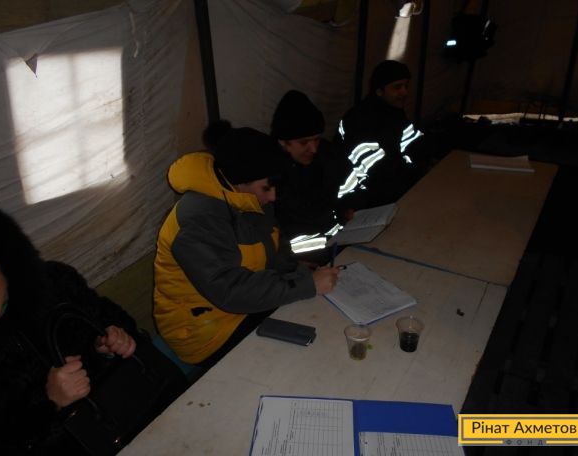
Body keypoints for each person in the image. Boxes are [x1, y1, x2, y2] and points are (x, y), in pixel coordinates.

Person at [0, 207, 186, 454]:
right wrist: (51, 403)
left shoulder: (53, 281)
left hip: (136, 417)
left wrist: (108, 342)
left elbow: (110, 319)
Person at [153, 122, 340, 368]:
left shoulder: (247, 199)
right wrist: (306, 284)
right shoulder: (198, 219)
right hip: (204, 331)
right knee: (295, 360)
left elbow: (270, 250)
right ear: (241, 181)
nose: (273, 196)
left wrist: (297, 269)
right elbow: (229, 290)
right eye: (266, 188)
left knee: (319, 327)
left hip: (239, 308)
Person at [334, 60, 431, 209]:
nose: (404, 92)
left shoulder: (394, 112)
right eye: (397, 87)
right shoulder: (359, 120)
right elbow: (376, 170)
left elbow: (415, 145)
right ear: (379, 91)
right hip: (365, 200)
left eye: (406, 86)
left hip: (393, 190)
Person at [270, 90, 352, 245]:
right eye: (304, 142)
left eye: (317, 140)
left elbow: (351, 185)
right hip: (303, 253)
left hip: (339, 239)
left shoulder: (329, 154)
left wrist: (350, 207)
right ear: (283, 142)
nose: (313, 149)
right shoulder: (270, 174)